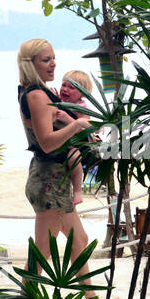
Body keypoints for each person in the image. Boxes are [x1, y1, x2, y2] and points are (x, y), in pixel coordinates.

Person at [17, 39, 94, 271]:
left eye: (53, 58)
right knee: (42, 251)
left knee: (79, 240)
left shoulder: (40, 92)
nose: (53, 64)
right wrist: (77, 125)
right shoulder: (37, 95)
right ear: (30, 64)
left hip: (56, 178)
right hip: (49, 180)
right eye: (46, 60)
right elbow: (48, 143)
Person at [57, 69, 97, 208]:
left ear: (83, 93)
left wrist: (68, 118)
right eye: (63, 85)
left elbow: (85, 126)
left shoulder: (81, 107)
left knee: (74, 158)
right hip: (64, 142)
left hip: (78, 144)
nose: (65, 89)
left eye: (71, 87)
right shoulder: (60, 101)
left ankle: (78, 191)